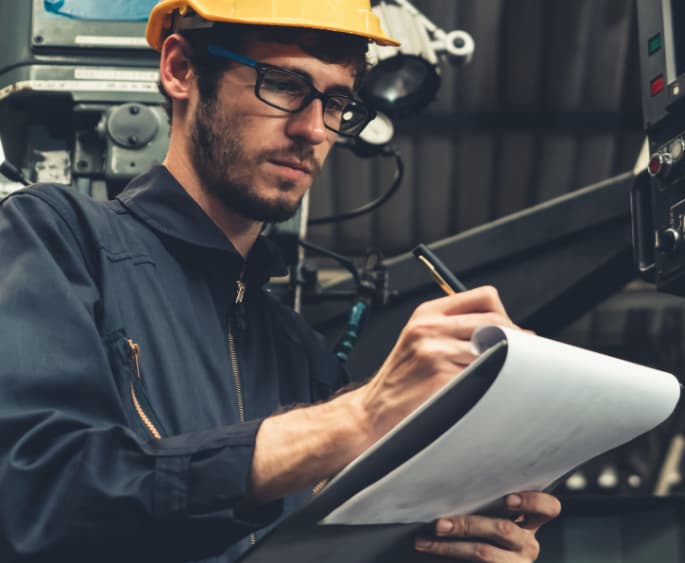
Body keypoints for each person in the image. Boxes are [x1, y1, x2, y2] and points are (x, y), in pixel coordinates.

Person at [0, 0, 560, 561]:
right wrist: (358, 418)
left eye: (337, 102)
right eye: (285, 85)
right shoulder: (56, 238)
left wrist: (450, 534)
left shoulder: (302, 356)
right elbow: (37, 497)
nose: (314, 129)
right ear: (181, 70)